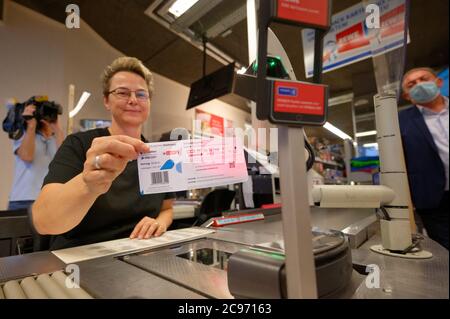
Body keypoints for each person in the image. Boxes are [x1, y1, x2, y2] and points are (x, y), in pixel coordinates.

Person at [32, 57, 174, 250]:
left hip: (140, 253)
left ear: (149, 102)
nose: (133, 100)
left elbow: (167, 209)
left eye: (141, 94)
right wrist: (87, 184)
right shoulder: (79, 145)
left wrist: (160, 222)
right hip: (81, 259)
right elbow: (43, 221)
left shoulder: (157, 155)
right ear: (106, 100)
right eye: (122, 92)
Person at [400, 67, 449, 249]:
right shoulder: (401, 121)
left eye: (423, 79)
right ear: (407, 96)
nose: (419, 85)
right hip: (433, 199)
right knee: (444, 247)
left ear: (438, 82)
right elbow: (398, 161)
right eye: (412, 84)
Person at [8, 101, 64, 211]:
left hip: (49, 198)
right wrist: (31, 125)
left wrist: (57, 128)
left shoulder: (55, 138)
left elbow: (64, 160)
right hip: (23, 200)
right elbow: (27, 156)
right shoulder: (24, 135)